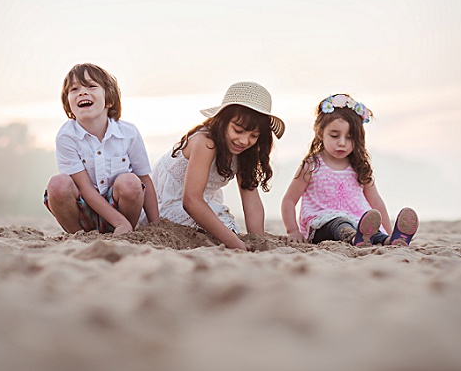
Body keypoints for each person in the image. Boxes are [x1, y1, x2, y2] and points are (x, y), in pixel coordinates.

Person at [152, 82, 285, 250]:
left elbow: (251, 200)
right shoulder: (205, 142)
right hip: (167, 204)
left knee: (227, 227)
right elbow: (191, 200)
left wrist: (257, 240)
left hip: (202, 203)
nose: (244, 141)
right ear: (222, 121)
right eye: (238, 130)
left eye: (254, 135)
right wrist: (236, 244)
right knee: (225, 229)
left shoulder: (245, 152)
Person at [281, 93, 418, 246]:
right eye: (334, 135)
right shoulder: (312, 165)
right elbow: (289, 200)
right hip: (323, 224)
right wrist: (292, 230)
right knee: (340, 224)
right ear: (320, 133)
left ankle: (390, 240)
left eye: (349, 137)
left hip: (359, 221)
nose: (342, 143)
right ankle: (356, 237)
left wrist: (389, 230)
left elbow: (377, 203)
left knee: (371, 229)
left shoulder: (359, 167)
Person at [44, 63, 159, 235]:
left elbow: (145, 179)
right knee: (57, 184)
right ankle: (79, 236)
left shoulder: (129, 133)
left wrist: (155, 225)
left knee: (131, 182)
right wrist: (119, 222)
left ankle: (126, 232)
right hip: (84, 211)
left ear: (109, 99)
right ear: (68, 103)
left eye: (91, 86)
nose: (82, 92)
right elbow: (85, 188)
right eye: (74, 89)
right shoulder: (66, 136)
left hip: (122, 211)